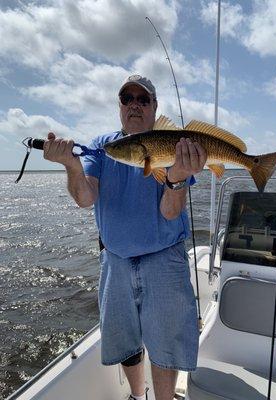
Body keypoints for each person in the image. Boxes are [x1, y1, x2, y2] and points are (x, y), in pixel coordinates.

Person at [43, 74, 207, 400]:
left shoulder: (174, 146)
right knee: (126, 340)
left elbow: (171, 213)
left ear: (154, 106)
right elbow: (85, 197)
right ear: (119, 106)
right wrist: (71, 166)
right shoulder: (104, 147)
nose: (134, 104)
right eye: (127, 98)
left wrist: (176, 177)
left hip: (163, 258)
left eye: (143, 99)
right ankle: (137, 394)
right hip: (115, 260)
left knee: (164, 343)